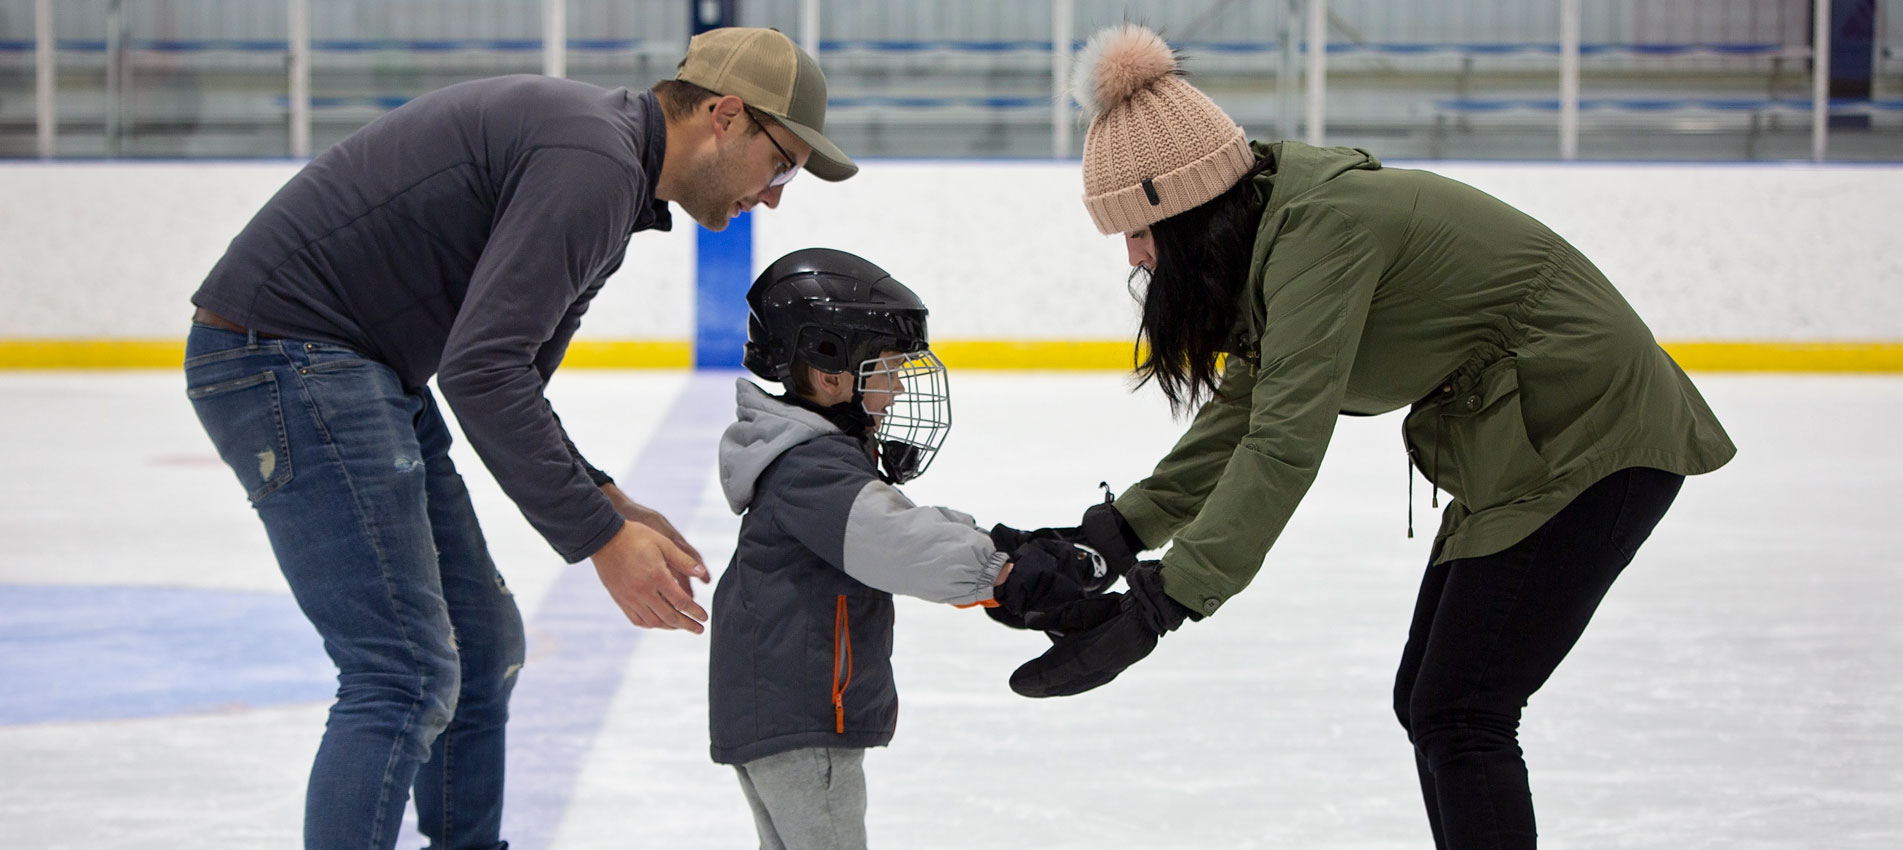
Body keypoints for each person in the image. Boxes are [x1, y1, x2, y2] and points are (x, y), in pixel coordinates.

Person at [1002, 23, 1738, 850]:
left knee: (1461, 711)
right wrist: (1111, 536)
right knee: (1432, 701)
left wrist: (1163, 602)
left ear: (1183, 208)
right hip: (1523, 447)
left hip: (1588, 439)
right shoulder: (1272, 238)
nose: (1135, 259)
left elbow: (1285, 440)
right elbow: (1244, 413)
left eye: (1137, 233)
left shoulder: (1323, 233)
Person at [181, 27, 855, 850]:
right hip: (288, 354)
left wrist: (607, 498)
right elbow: (481, 373)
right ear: (724, 115)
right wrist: (601, 538)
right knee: (404, 671)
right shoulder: (595, 166)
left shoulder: (615, 176)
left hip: (355, 367)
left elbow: (508, 380)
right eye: (781, 163)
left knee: (480, 646)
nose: (777, 195)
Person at [709, 248, 1108, 850]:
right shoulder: (809, 469)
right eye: (887, 369)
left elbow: (896, 522)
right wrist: (1000, 572)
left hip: (784, 710)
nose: (896, 388)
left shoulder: (809, 459)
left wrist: (1003, 543)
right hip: (803, 717)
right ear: (828, 370)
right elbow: (895, 541)